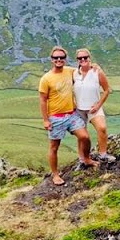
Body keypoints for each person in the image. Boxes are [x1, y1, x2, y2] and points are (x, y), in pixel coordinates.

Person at [38, 46, 96, 185]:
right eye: (56, 58)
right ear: (51, 60)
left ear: (65, 59)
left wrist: (94, 66)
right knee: (54, 147)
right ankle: (55, 175)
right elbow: (42, 100)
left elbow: (84, 68)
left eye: (62, 57)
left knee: (85, 137)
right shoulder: (46, 79)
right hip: (56, 117)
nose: (59, 60)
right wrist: (46, 120)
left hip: (71, 114)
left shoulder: (71, 71)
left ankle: (86, 159)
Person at [72, 48, 116, 163]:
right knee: (82, 136)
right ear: (77, 60)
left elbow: (107, 90)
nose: (83, 59)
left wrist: (98, 105)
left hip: (94, 108)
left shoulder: (97, 72)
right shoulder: (74, 73)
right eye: (80, 58)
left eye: (85, 57)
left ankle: (103, 154)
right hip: (79, 109)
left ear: (89, 58)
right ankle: (82, 159)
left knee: (102, 128)